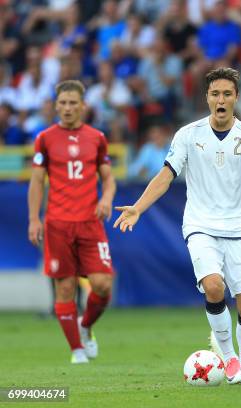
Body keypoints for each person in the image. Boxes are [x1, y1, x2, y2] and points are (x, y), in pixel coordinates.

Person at [113, 67, 241, 385]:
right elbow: (166, 175)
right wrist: (139, 208)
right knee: (214, 286)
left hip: (240, 228)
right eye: (215, 94)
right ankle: (228, 360)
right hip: (200, 225)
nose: (221, 99)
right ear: (207, 98)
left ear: (236, 98)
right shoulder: (188, 135)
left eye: (227, 93)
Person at [28, 80, 116, 364]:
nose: (67, 108)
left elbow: (109, 178)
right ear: (56, 105)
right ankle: (77, 350)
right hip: (58, 223)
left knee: (102, 285)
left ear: (82, 106)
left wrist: (106, 200)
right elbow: (37, 181)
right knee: (64, 287)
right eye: (62, 103)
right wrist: (34, 219)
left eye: (72, 103)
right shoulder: (45, 138)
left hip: (90, 223)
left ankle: (86, 324)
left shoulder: (97, 137)